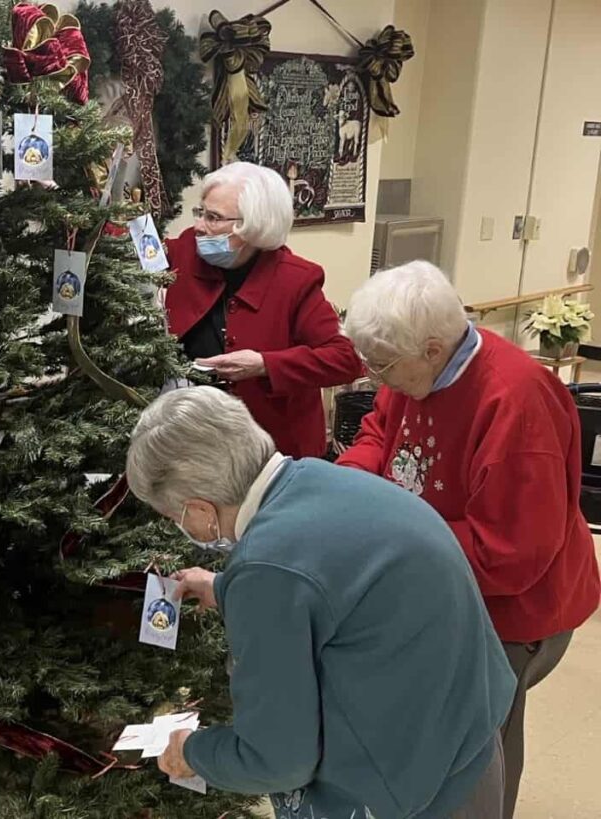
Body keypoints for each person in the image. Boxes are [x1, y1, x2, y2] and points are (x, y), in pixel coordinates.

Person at [125, 386, 515, 818]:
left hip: (414, 790)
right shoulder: (318, 477)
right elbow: (335, 584)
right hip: (466, 735)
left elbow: (277, 759)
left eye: (172, 515)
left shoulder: (264, 568)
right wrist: (223, 587)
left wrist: (193, 751)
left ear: (199, 510)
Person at [337, 260, 601, 819]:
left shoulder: (517, 403)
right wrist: (351, 487)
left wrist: (389, 544)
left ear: (434, 349)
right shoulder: (412, 369)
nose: (375, 376)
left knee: (480, 753)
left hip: (513, 612)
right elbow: (379, 430)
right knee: (442, 737)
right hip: (439, 580)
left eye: (382, 364)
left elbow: (509, 554)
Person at [162, 162, 362, 458]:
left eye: (214, 218)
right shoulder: (185, 251)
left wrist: (265, 364)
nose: (200, 226)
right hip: (194, 437)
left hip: (271, 447)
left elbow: (346, 360)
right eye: (200, 212)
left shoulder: (295, 280)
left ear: (253, 226)